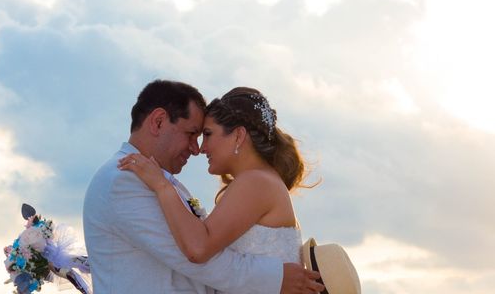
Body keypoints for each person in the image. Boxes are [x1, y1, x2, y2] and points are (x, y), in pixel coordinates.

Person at [83, 80, 323, 294]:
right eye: (192, 134)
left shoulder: (251, 181)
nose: (197, 148)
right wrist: (276, 278)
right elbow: (190, 256)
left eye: (205, 135)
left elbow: (198, 250)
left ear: (238, 136)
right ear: (158, 122)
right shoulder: (123, 180)